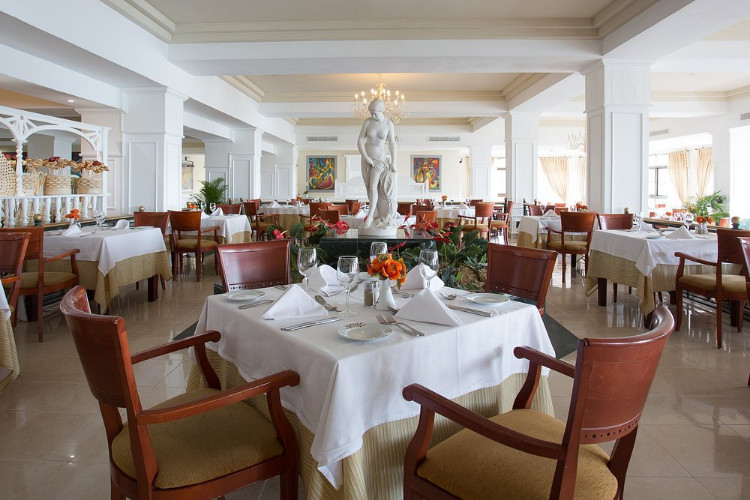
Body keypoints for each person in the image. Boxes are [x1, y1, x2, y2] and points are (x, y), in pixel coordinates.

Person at [357, 98, 397, 229]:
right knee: (368, 186)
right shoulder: (367, 122)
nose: (373, 115)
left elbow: (392, 143)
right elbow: (360, 140)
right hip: (366, 159)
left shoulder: (388, 124)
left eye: (375, 113)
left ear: (382, 110)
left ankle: (369, 217)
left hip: (380, 160)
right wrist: (366, 157)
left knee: (373, 187)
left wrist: (394, 162)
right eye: (371, 112)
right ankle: (376, 214)